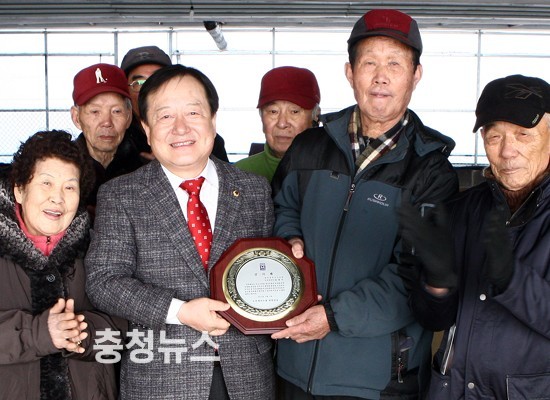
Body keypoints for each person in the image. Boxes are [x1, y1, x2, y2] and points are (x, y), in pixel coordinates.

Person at [270, 9, 459, 400]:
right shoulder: (309, 147)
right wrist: (288, 237)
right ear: (350, 72)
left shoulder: (431, 170)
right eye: (369, 63)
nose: (380, 76)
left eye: (395, 64)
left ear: (416, 75)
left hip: (378, 380)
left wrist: (334, 317)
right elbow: (281, 208)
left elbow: (415, 274)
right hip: (293, 365)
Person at [85, 64, 276, 400]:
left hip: (247, 375)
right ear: (146, 129)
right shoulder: (121, 195)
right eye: (165, 116)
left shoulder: (254, 190)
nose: (181, 128)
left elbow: (268, 270)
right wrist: (180, 311)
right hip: (162, 377)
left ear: (213, 119)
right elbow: (103, 282)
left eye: (193, 112)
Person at [400, 74, 550, 399]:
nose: (507, 151)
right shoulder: (462, 209)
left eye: (523, 135)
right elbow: (431, 319)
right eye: (494, 136)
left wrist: (512, 280)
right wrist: (436, 285)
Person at [0, 130, 126, 399]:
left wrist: (81, 332)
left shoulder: (100, 247)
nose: (57, 197)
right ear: (19, 190)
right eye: (46, 183)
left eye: (69, 187)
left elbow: (127, 325)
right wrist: (38, 333)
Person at [121, 45, 230, 162]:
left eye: (157, 81)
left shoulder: (205, 138)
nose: (148, 89)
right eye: (139, 83)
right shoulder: (118, 138)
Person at [70, 62, 142, 215]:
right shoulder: (62, 167)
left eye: (116, 111)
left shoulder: (145, 171)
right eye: (95, 111)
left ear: (128, 117)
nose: (107, 122)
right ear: (76, 118)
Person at [235, 66, 321, 182]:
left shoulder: (335, 172)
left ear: (316, 116)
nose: (282, 123)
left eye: (294, 111)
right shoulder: (238, 174)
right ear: (261, 117)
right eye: (273, 111)